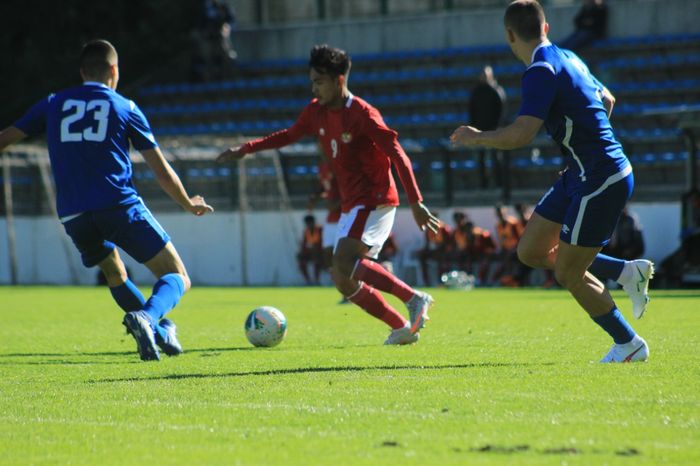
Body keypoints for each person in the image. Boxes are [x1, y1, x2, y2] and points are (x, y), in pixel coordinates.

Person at [451, 1, 654, 363]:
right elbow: (607, 99)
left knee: (567, 273)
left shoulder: (540, 70)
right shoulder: (569, 57)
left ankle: (629, 344)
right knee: (530, 252)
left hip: (600, 177)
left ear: (510, 35)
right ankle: (624, 271)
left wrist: (476, 137)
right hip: (582, 171)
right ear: (545, 28)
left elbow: (520, 135)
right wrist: (580, 150)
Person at [0, 40, 214, 361]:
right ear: (114, 70)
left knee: (115, 274)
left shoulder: (53, 102)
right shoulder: (125, 107)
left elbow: (5, 139)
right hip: (118, 205)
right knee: (177, 276)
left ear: (82, 71)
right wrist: (187, 202)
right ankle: (150, 318)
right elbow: (161, 170)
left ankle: (157, 329)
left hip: (74, 216)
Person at [217, 44, 440, 345]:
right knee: (341, 279)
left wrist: (416, 202)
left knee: (345, 261)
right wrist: (246, 149)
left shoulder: (363, 114)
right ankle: (401, 327)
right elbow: (289, 135)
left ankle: (413, 298)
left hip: (374, 198)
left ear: (339, 81)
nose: (314, 88)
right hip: (353, 203)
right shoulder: (315, 111)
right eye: (311, 81)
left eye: (319, 81)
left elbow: (398, 155)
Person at [469, 65, 507, 189]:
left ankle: (499, 184)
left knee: (496, 157)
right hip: (480, 130)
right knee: (481, 159)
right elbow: (472, 111)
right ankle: (483, 185)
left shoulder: (496, 91)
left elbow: (502, 111)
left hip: (494, 130)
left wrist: (498, 128)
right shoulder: (476, 92)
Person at [418, 213, 453, 286]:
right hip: (433, 251)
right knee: (422, 256)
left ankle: (442, 281)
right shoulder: (428, 229)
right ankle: (426, 281)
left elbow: (448, 244)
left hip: (442, 251)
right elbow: (427, 243)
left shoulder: (443, 228)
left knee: (442, 259)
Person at [492, 204, 522, 286]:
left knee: (508, 259)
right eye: (498, 213)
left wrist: (513, 248)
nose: (500, 215)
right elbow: (501, 240)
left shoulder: (512, 223)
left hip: (515, 249)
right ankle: (504, 279)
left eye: (501, 212)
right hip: (506, 249)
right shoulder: (498, 225)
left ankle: (507, 279)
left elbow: (519, 238)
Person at [297, 214, 324, 285]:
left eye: (310, 223)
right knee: (300, 258)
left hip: (320, 253)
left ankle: (316, 280)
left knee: (317, 259)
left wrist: (314, 247)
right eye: (307, 224)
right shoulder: (306, 232)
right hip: (310, 253)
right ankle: (308, 280)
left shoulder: (320, 230)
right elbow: (304, 245)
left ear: (314, 222)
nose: (309, 225)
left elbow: (323, 242)